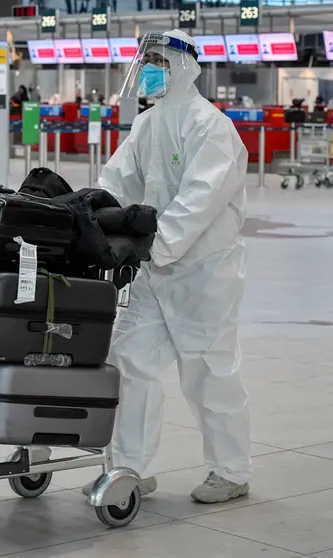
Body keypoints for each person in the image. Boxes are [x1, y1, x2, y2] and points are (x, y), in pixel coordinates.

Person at [88, 29, 251, 504]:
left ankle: (231, 470)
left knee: (208, 372)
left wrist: (156, 246)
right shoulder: (148, 124)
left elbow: (199, 201)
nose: (151, 69)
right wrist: (90, 214)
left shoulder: (212, 127)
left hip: (204, 272)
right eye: (148, 61)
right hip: (154, 269)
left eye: (160, 60)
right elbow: (117, 180)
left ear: (184, 66)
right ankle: (129, 467)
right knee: (130, 363)